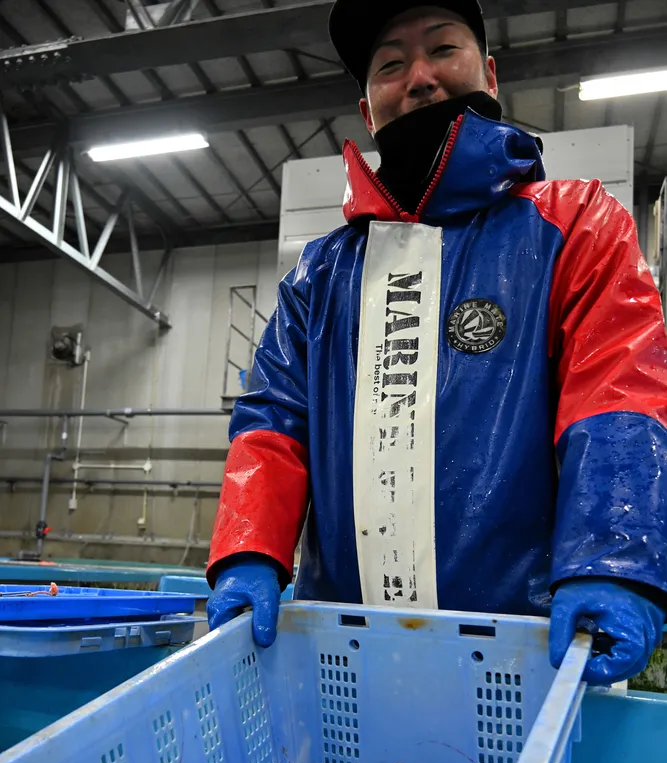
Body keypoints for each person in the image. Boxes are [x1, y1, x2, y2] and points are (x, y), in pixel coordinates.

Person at [207, 0, 667, 686]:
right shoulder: (320, 274)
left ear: (487, 74)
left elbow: (619, 392)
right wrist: (250, 553)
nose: (418, 77)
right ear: (367, 111)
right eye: (390, 64)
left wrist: (610, 560)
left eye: (441, 49)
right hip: (346, 660)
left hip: (532, 652)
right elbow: (273, 422)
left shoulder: (576, 223)